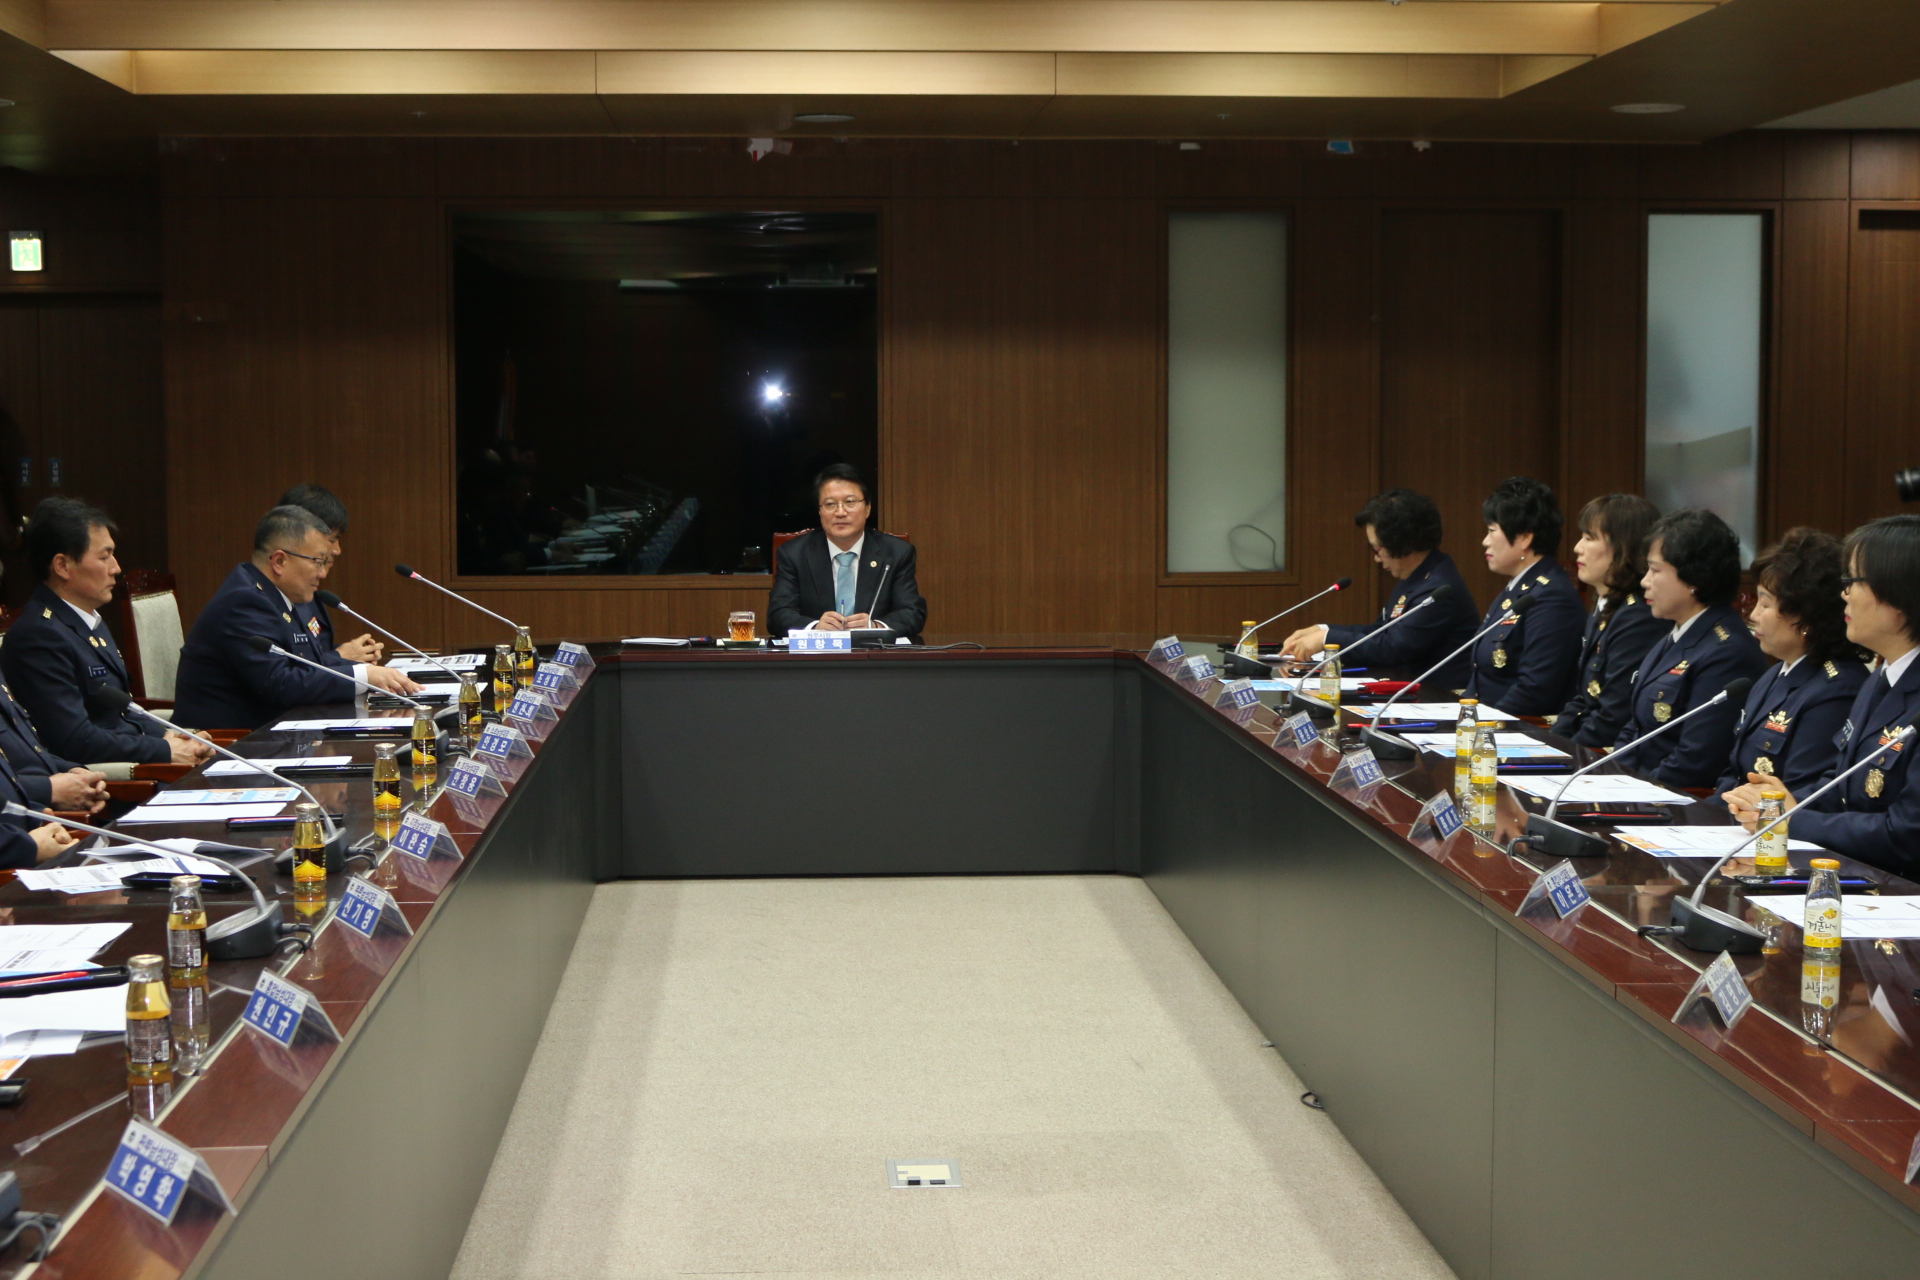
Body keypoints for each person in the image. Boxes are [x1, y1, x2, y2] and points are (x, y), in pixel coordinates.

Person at [1727, 515, 1920, 879]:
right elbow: (1842, 784)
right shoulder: (1881, 678)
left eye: (1854, 581)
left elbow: (1907, 835)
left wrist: (1793, 818)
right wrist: (1774, 803)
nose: (1844, 593)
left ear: (1899, 595)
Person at [0, 498, 213, 767]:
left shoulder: (87, 619)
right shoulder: (39, 636)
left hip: (136, 758)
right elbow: (75, 741)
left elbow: (123, 713)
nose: (116, 568)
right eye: (104, 557)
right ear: (62, 566)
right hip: (104, 780)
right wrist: (163, 750)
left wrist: (173, 737)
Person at [174, 506, 423, 730]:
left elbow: (308, 664)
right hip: (226, 744)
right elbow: (280, 684)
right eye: (317, 561)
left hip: (270, 734)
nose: (323, 573)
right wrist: (363, 676)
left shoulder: (273, 595)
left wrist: (365, 671)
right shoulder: (245, 602)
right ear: (280, 561)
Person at [1609, 508, 1766, 788]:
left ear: (1694, 579)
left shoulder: (1727, 652)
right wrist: (1612, 777)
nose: (1644, 581)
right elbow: (1635, 728)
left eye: (1655, 570)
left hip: (1671, 799)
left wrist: (1631, 791)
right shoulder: (1677, 633)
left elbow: (1695, 761)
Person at [1711, 529, 1867, 799]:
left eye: (1765, 604)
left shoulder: (1837, 689)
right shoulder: (1775, 675)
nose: (1753, 614)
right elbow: (1734, 772)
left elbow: (1801, 793)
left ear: (1804, 616)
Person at [1279, 489, 1479, 689]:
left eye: (1377, 549)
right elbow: (1381, 632)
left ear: (1402, 543)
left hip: (1438, 696)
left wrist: (1327, 639)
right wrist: (1324, 630)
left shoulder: (1439, 589)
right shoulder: (1416, 577)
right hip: (1410, 692)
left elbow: (1394, 648)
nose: (1376, 558)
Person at [1463, 477, 1583, 716]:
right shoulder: (1517, 588)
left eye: (1491, 531)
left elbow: (1535, 689)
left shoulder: (1551, 597)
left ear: (1525, 538)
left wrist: (1482, 727)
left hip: (1513, 728)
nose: (1485, 541)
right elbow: (1481, 677)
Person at [1551, 494, 1663, 747]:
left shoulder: (1638, 616)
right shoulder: (1606, 605)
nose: (1577, 547)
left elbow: (1613, 716)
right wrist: (1549, 746)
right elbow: (1583, 699)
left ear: (1622, 547)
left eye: (1589, 538)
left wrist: (1566, 756)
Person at [769, 464, 926, 637]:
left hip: (873, 652)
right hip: (817, 652)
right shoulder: (794, 554)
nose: (840, 512)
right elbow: (778, 614)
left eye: (850, 502)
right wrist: (815, 628)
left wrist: (874, 626)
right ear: (820, 511)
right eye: (830, 504)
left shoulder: (896, 553)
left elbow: (912, 613)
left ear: (868, 508)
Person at [278, 483, 384, 668]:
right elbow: (282, 673)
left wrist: (354, 654)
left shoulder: (306, 589)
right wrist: (339, 656)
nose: (337, 550)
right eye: (332, 540)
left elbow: (314, 652)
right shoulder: (254, 601)